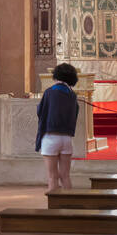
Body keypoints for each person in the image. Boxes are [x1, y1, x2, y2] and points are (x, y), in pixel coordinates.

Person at [36, 62, 80, 193]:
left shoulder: (50, 92)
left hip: (51, 137)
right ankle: (69, 206)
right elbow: (75, 113)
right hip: (66, 138)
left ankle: (54, 210)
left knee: (52, 177)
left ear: (56, 75)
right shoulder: (72, 94)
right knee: (65, 176)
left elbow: (40, 111)